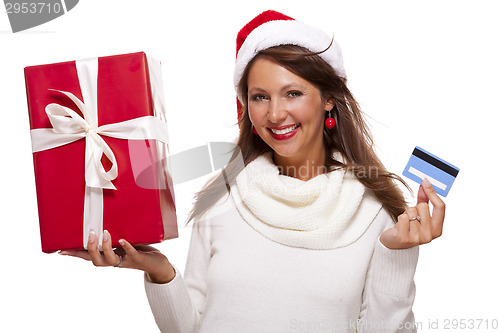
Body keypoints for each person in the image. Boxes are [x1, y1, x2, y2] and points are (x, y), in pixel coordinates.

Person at [61, 10, 446, 332]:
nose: (275, 114)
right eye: (259, 97)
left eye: (292, 93)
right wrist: (159, 271)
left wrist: (397, 254)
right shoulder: (223, 196)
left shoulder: (374, 212)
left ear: (329, 99)